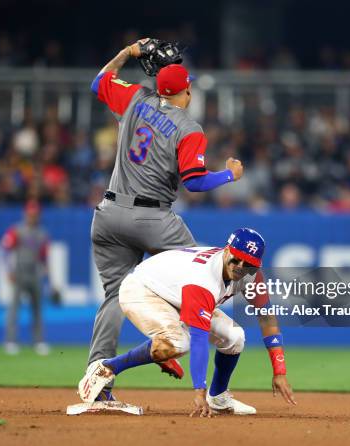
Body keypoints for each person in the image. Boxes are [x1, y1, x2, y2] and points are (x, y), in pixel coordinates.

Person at [86, 38, 244, 401]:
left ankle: (99, 381)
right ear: (186, 91)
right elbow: (195, 181)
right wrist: (229, 176)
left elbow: (99, 81)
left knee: (115, 297)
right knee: (203, 272)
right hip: (153, 217)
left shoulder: (136, 98)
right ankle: (175, 345)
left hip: (109, 213)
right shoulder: (189, 128)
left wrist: (127, 52)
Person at [78, 228, 296, 416]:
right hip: (144, 289)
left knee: (235, 337)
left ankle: (219, 397)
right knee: (179, 343)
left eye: (247, 264)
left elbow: (267, 318)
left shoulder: (252, 275)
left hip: (177, 294)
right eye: (236, 258)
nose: (240, 266)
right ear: (226, 250)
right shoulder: (205, 280)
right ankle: (105, 368)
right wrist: (198, 390)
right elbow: (199, 339)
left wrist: (280, 371)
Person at [1, 200, 52, 355]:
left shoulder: (43, 233)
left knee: (37, 309)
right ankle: (11, 341)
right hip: (19, 272)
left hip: (35, 272)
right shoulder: (16, 230)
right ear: (26, 214)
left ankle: (38, 341)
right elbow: (5, 250)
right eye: (30, 214)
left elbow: (44, 257)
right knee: (14, 308)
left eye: (35, 214)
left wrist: (48, 274)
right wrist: (9, 270)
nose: (33, 217)